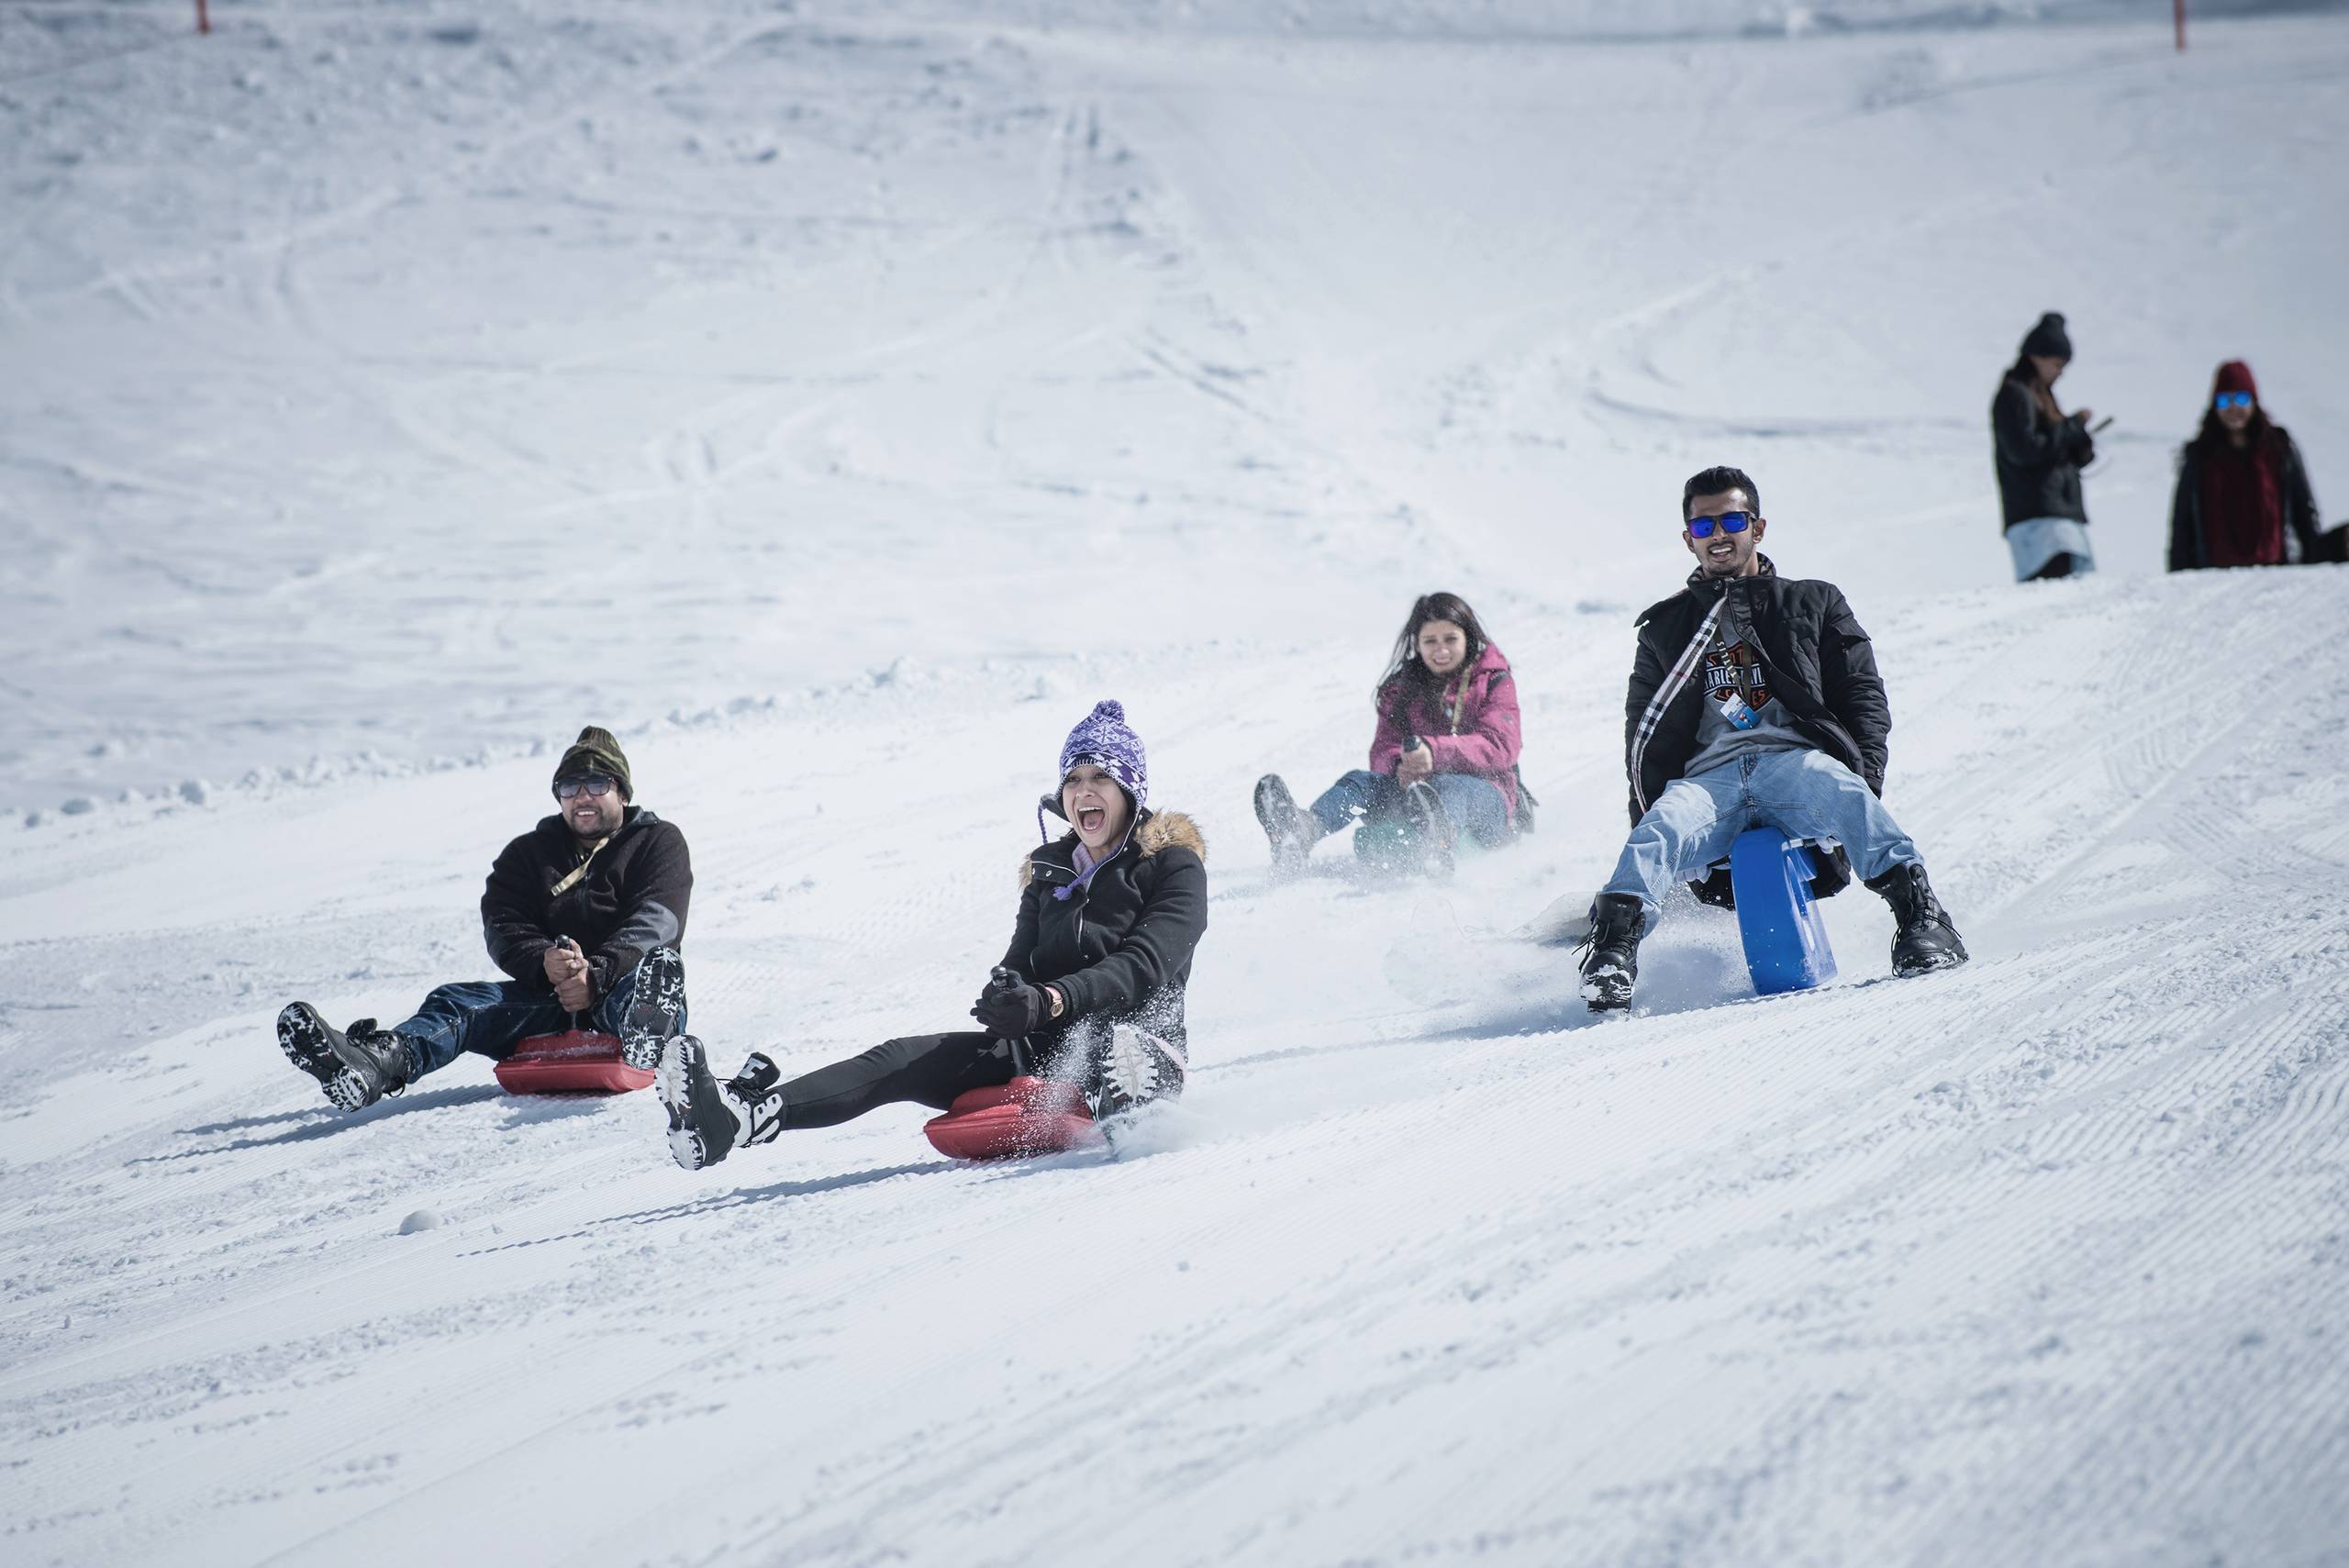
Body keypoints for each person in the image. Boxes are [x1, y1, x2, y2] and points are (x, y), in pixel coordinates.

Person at [657, 700, 1205, 1171]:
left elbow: (1145, 963)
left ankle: (1131, 1108)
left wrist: (1053, 999)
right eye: (1073, 780)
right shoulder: (1048, 872)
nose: (1083, 791)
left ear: (1129, 789)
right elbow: (1020, 962)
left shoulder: (1172, 865)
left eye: (1099, 778)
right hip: (1047, 1050)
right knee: (901, 1057)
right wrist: (1009, 994)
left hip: (1136, 1041)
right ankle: (736, 1118)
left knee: (1119, 1045)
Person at [1577, 466, 1967, 1010]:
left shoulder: (1813, 601)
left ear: (1757, 529)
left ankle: (1923, 922)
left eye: (1732, 520)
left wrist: (1864, 779)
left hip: (1793, 764)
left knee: (1841, 790)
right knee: (1658, 828)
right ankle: (1613, 956)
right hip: (1709, 782)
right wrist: (1643, 809)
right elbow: (1642, 739)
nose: (1719, 533)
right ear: (1688, 537)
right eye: (1705, 524)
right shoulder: (1666, 629)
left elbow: (1862, 699)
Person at [275, 727, 693, 1110]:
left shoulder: (657, 842)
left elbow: (656, 921)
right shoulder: (528, 854)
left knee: (648, 981)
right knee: (458, 1003)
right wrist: (545, 961)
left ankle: (648, 1038)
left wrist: (596, 976)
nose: (582, 795)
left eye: (597, 783)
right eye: (569, 786)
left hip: (623, 988)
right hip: (551, 1000)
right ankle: (375, 1062)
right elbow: (503, 923)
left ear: (621, 792)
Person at [1251, 592, 1526, 877]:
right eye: (1430, 641)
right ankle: (1302, 831)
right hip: (1417, 794)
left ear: (1467, 637)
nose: (1440, 650)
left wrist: (1433, 753)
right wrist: (1401, 766)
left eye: (1450, 639)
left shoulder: (1493, 680)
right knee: (1360, 782)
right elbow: (1384, 749)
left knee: (1453, 788)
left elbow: (1501, 745)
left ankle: (1437, 843)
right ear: (1417, 644)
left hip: (1485, 797)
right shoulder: (1402, 689)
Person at [2167, 361, 2325, 571]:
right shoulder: (2200, 456)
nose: (2233, 407)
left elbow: (2304, 512)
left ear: (2254, 401)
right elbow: (2182, 523)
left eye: (2241, 398)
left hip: (2278, 576)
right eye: (2224, 400)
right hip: (2212, 579)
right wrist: (2180, 580)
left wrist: (2314, 566)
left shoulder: (2279, 449)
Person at [1992, 311, 2099, 583]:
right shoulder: (2015, 394)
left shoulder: (2042, 397)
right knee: (2052, 591)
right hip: (2038, 521)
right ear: (2036, 357)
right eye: (2057, 364)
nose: (2060, 372)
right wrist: (2071, 427)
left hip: (2057, 515)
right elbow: (2024, 450)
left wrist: (2079, 446)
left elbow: (2050, 448)